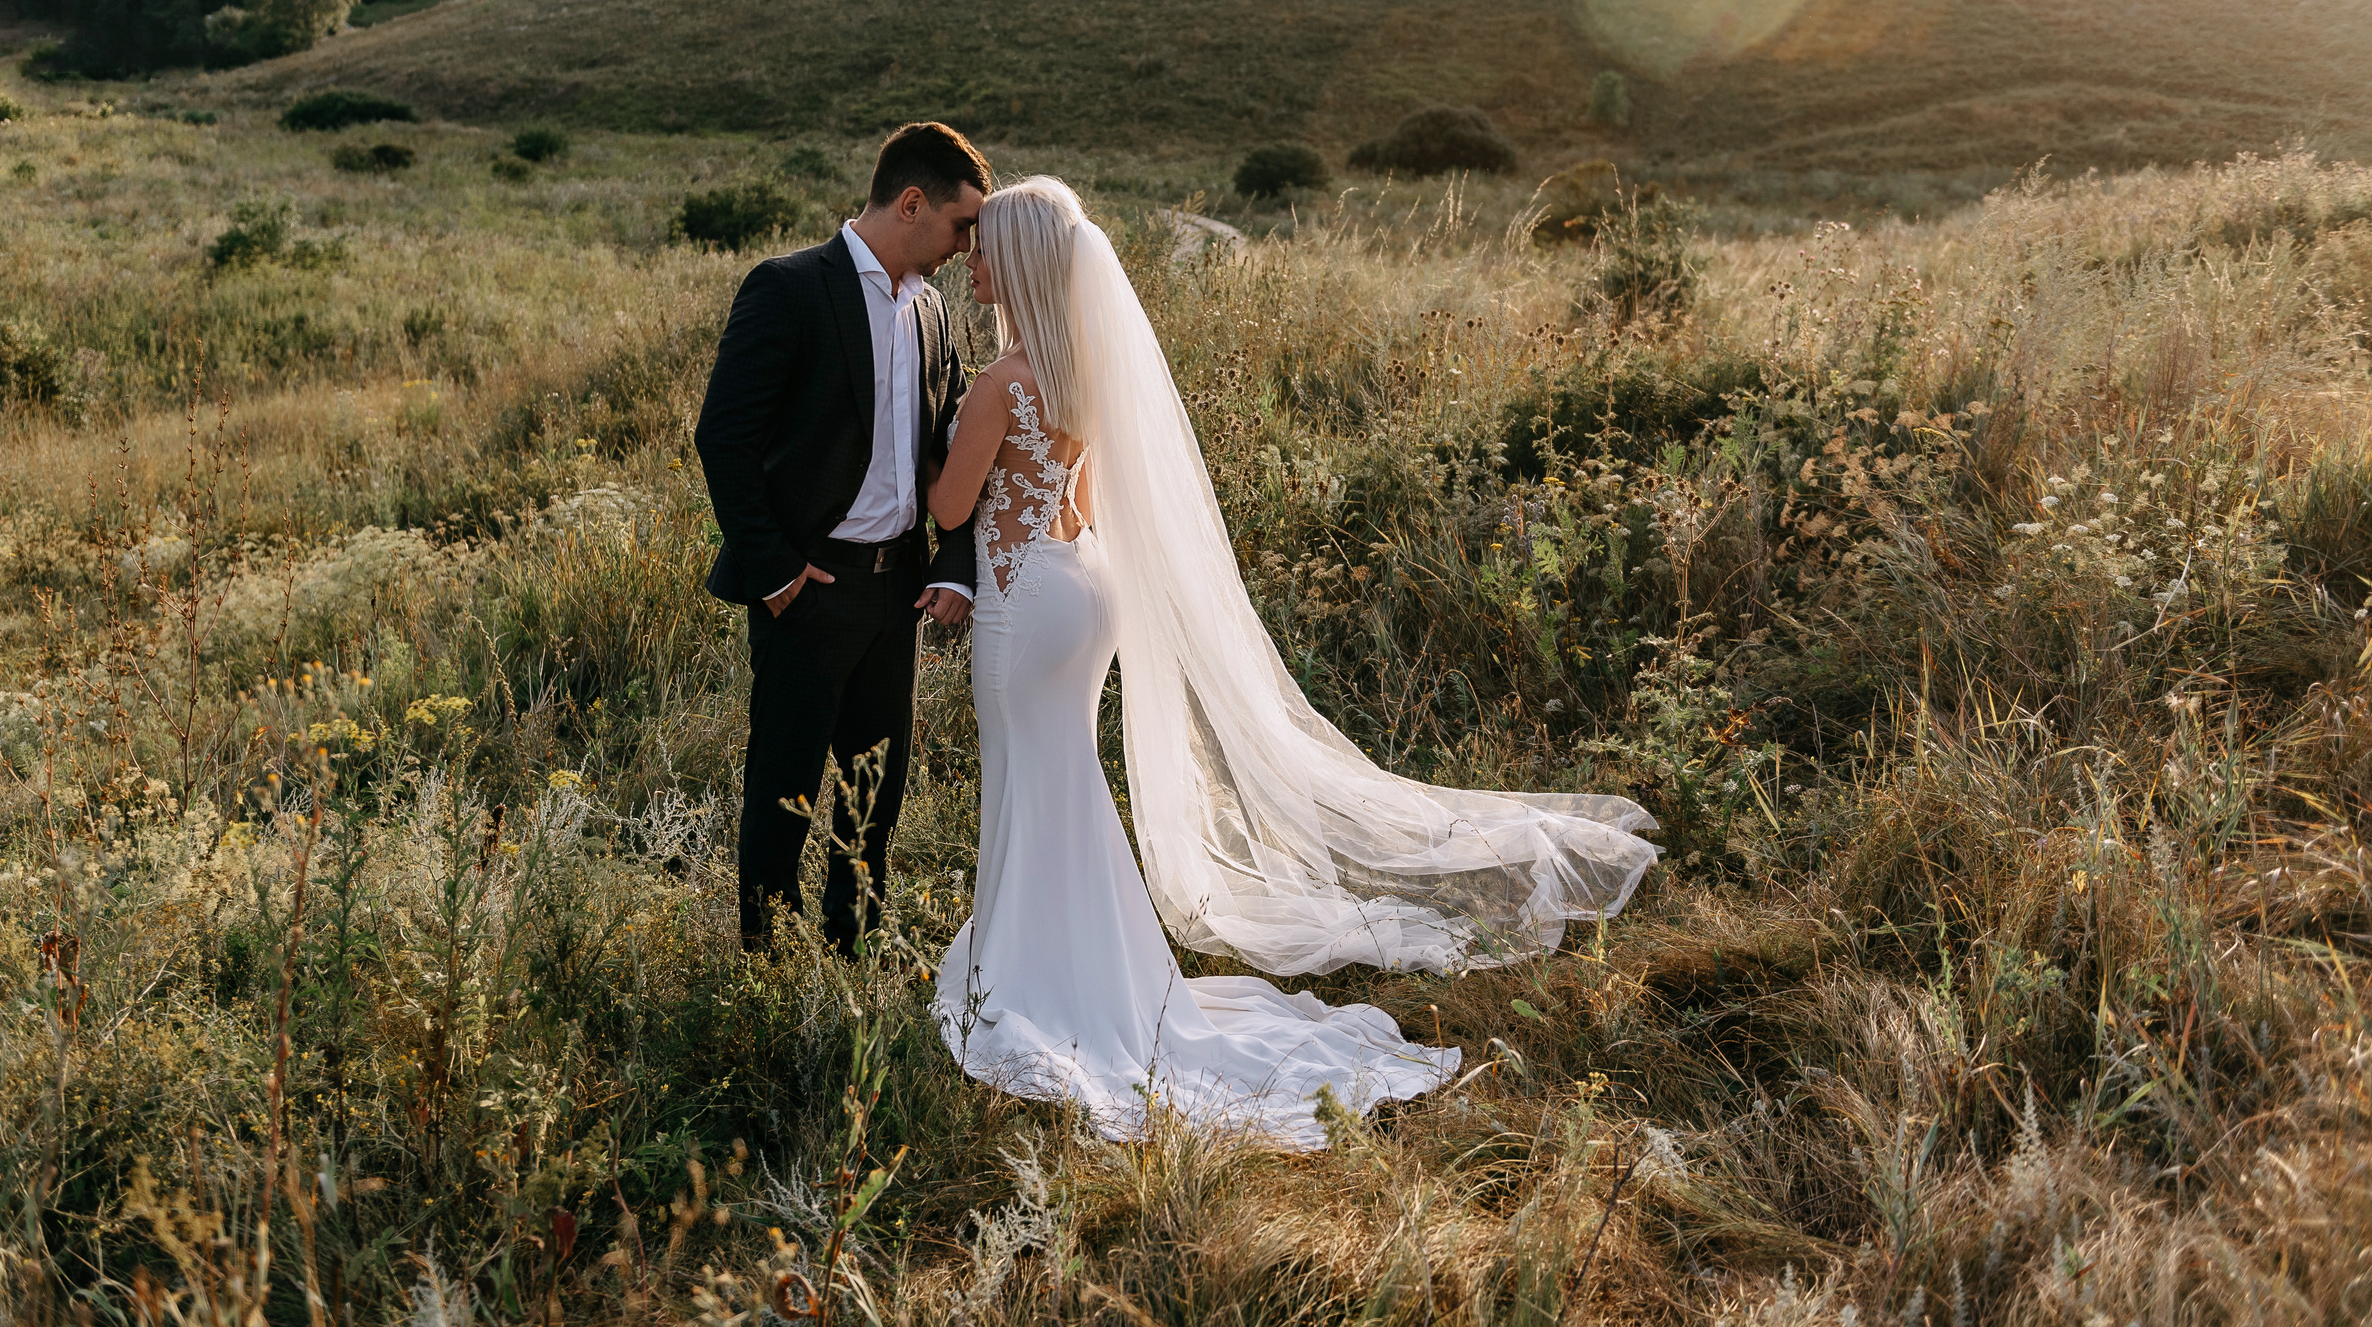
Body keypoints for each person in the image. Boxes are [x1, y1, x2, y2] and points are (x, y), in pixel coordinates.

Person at [925, 179, 1660, 1148]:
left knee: (1033, 780)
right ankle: (1069, 963)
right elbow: (1090, 495)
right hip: (1082, 590)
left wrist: (937, 444)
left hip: (1023, 602)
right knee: (1064, 782)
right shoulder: (1082, 374)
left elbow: (945, 508)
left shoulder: (998, 386)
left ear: (1014, 261)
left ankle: (1033, 974)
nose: (969, 261)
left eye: (982, 248)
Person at [694, 121, 989, 955]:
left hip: (898, 594)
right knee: (782, 786)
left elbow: (955, 452)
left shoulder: (932, 312)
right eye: (961, 224)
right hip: (807, 590)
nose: (966, 248)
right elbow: (724, 437)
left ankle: (848, 953)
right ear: (910, 201)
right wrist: (777, 571)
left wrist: (955, 566)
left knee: (876, 792)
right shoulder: (788, 288)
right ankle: (766, 965)